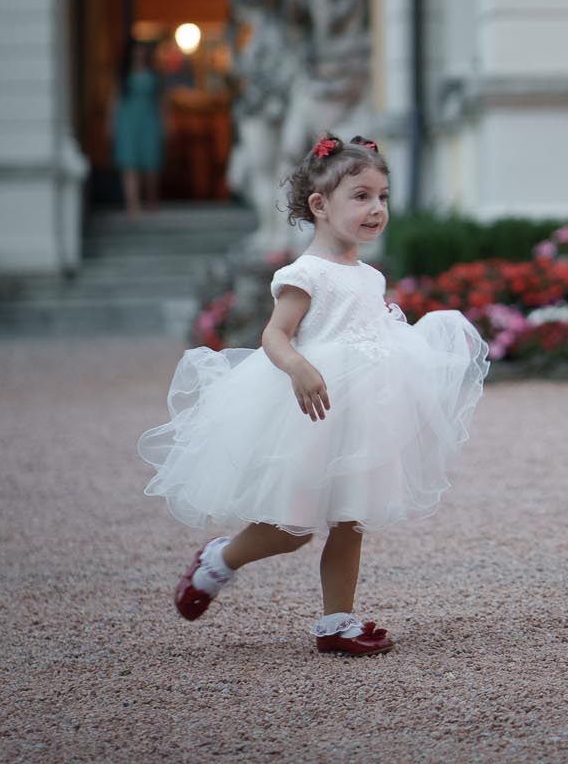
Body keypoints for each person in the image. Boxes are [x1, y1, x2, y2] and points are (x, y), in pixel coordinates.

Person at [138, 135, 487, 655]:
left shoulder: (369, 275)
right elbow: (274, 336)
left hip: (363, 412)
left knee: (352, 519)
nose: (376, 209)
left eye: (383, 196)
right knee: (293, 528)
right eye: (361, 196)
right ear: (320, 206)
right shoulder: (305, 274)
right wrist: (298, 367)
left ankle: (336, 623)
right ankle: (219, 560)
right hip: (310, 411)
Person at [111, 39, 165, 215]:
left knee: (151, 161)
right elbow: (115, 99)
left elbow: (161, 100)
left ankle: (151, 201)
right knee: (129, 161)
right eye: (136, 51)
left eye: (141, 51)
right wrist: (110, 123)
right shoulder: (123, 74)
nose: (138, 54)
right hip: (127, 120)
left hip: (149, 119)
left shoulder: (154, 73)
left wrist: (165, 121)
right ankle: (132, 205)